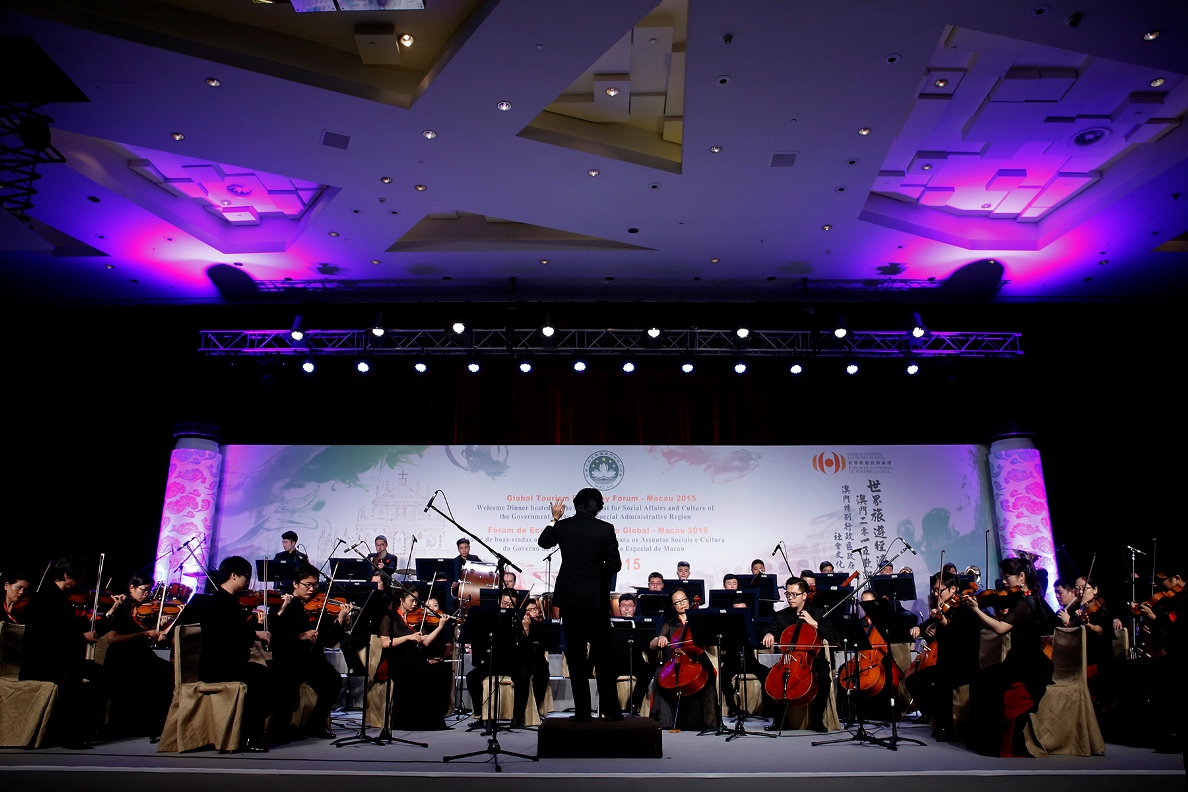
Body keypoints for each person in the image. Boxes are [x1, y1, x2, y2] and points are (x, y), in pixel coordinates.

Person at [538, 488, 623, 723]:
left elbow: (543, 542)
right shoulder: (605, 529)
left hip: (570, 600)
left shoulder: (563, 527)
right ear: (598, 506)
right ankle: (612, 712)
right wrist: (596, 578)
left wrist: (554, 517)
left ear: (575, 505)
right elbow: (614, 564)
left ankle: (583, 713)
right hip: (595, 600)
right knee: (603, 657)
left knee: (575, 658)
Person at [174, 555, 275, 752]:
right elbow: (230, 636)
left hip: (222, 664)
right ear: (234, 575)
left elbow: (234, 631)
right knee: (268, 680)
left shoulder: (223, 601)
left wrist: (251, 631)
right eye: (246, 577)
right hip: (220, 667)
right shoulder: (221, 603)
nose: (248, 582)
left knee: (266, 676)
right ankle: (247, 737)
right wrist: (254, 633)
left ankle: (245, 734)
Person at [961, 556, 1055, 756]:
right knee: (980, 678)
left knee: (987, 684)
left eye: (1007, 576)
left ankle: (992, 743)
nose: (1003, 581)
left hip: (1029, 666)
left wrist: (977, 610)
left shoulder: (1025, 603)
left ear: (1021, 577)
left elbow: (1001, 629)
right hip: (1018, 660)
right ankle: (982, 739)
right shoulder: (1025, 598)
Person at [19, 555, 105, 748]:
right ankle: (68, 735)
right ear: (67, 576)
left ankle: (88, 729)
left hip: (57, 660)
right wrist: (82, 638)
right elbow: (49, 637)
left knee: (100, 673)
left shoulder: (59, 599)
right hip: (43, 663)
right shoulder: (47, 599)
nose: (82, 580)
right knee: (75, 678)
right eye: (80, 576)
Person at [268, 565, 352, 739]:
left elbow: (328, 640)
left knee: (334, 680)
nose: (312, 589)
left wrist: (340, 621)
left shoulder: (319, 606)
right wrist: (300, 637)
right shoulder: (284, 604)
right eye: (308, 585)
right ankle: (279, 728)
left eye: (315, 585)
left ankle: (315, 724)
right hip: (290, 658)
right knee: (287, 682)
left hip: (312, 660)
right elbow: (277, 636)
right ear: (295, 583)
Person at [904, 573, 981, 742]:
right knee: (912, 681)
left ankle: (946, 727)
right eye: (934, 591)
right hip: (945, 663)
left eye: (940, 590)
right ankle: (935, 716)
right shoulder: (942, 610)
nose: (937, 594)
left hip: (964, 664)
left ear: (953, 589)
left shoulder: (965, 609)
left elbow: (964, 639)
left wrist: (945, 624)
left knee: (942, 683)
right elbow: (928, 627)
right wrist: (920, 629)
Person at [101, 573, 175, 739]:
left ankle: (154, 725)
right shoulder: (121, 607)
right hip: (121, 657)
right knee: (162, 673)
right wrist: (143, 635)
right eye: (143, 589)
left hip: (138, 655)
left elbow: (148, 642)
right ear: (131, 589)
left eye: (150, 590)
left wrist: (161, 630)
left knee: (169, 672)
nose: (147, 594)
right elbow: (112, 639)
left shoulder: (145, 612)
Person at [761, 577, 838, 732]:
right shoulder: (781, 616)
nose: (790, 598)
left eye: (794, 594)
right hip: (788, 659)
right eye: (788, 594)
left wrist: (814, 623)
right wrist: (769, 633)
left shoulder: (818, 613)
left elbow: (834, 636)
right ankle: (779, 720)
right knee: (773, 678)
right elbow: (769, 630)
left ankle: (817, 720)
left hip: (813, 658)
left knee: (824, 676)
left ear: (804, 595)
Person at [379, 587, 452, 730]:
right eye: (412, 600)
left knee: (433, 675)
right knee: (416, 676)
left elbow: (425, 641)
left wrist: (440, 626)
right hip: (396, 658)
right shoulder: (390, 618)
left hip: (413, 657)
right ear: (401, 600)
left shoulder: (417, 619)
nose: (415, 604)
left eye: (416, 601)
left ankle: (427, 722)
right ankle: (407, 722)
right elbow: (385, 643)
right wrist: (407, 637)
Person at [649, 588, 717, 730]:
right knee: (659, 672)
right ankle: (667, 719)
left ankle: (709, 720)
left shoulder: (698, 618)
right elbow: (652, 644)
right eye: (678, 602)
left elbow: (710, 639)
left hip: (696, 658)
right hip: (677, 661)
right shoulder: (671, 623)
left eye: (684, 600)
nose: (682, 604)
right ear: (673, 606)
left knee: (709, 673)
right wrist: (660, 638)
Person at [464, 588, 533, 728]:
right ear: (499, 602)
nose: (507, 607)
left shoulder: (522, 620)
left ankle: (518, 718)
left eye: (510, 605)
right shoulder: (490, 618)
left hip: (516, 662)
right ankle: (481, 715)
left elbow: (528, 650)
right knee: (472, 677)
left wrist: (526, 630)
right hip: (496, 661)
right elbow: (480, 640)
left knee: (523, 677)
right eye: (504, 603)